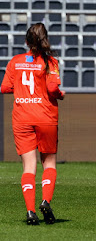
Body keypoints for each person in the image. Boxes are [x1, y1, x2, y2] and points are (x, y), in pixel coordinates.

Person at [0, 23, 65, 225]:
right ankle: (45, 200)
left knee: (29, 167)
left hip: (22, 118)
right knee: (49, 163)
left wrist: (22, 91)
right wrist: (60, 95)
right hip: (45, 116)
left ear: (27, 41)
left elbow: (4, 88)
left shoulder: (16, 61)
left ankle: (30, 211)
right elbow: (53, 88)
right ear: (45, 40)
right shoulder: (50, 61)